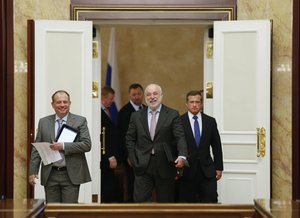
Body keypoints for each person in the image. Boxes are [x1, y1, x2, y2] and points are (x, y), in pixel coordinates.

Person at [126, 83, 188, 203]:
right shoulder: (136, 116)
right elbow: (129, 138)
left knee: (166, 204)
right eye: (148, 94)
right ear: (145, 97)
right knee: (140, 204)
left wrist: (182, 155)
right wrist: (134, 159)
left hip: (165, 165)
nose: (152, 97)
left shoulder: (172, 114)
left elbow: (180, 137)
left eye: (155, 93)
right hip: (142, 165)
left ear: (161, 95)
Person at [28, 90, 92, 203]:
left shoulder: (80, 121)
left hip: (71, 174)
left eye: (65, 102)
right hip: (50, 174)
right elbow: (36, 149)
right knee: (52, 211)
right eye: (59, 102)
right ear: (52, 104)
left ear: (69, 103)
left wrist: (63, 146)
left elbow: (87, 145)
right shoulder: (43, 122)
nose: (62, 105)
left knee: (69, 212)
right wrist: (33, 171)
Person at [177, 90, 223, 203]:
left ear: (201, 104)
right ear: (186, 104)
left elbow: (216, 145)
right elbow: (174, 145)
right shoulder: (179, 122)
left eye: (197, 102)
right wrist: (175, 169)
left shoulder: (210, 121)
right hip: (187, 172)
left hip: (207, 171)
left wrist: (219, 167)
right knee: (186, 206)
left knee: (211, 202)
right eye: (191, 102)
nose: (194, 105)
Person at [117, 83, 145, 202]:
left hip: (146, 153)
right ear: (130, 95)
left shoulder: (146, 109)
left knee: (145, 181)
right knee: (132, 181)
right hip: (131, 154)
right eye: (134, 94)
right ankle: (133, 207)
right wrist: (129, 155)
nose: (137, 97)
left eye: (139, 94)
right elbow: (123, 136)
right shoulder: (124, 112)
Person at [100, 86, 121, 202]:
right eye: (110, 99)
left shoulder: (106, 111)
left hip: (109, 156)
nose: (112, 102)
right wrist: (110, 155)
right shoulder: (97, 112)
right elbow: (103, 136)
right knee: (106, 189)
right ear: (103, 97)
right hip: (104, 157)